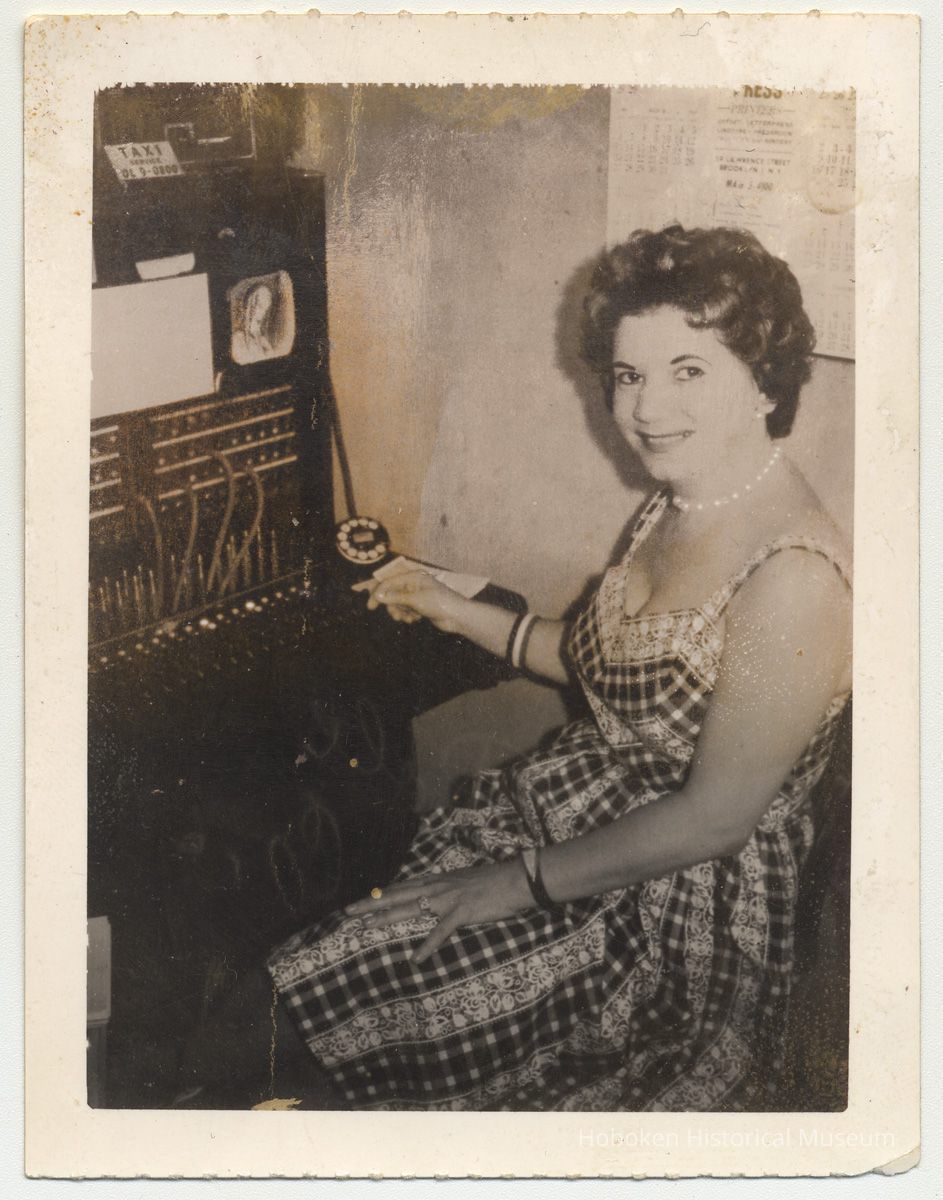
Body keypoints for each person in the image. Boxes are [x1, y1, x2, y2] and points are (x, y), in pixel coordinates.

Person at [183, 224, 852, 1112]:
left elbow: (711, 822)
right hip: (577, 816)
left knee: (302, 1022)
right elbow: (596, 662)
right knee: (284, 995)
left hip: (670, 913)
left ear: (763, 380)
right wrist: (449, 606)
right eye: (628, 374)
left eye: (688, 370)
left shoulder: (793, 580)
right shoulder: (684, 497)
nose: (647, 408)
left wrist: (517, 881)